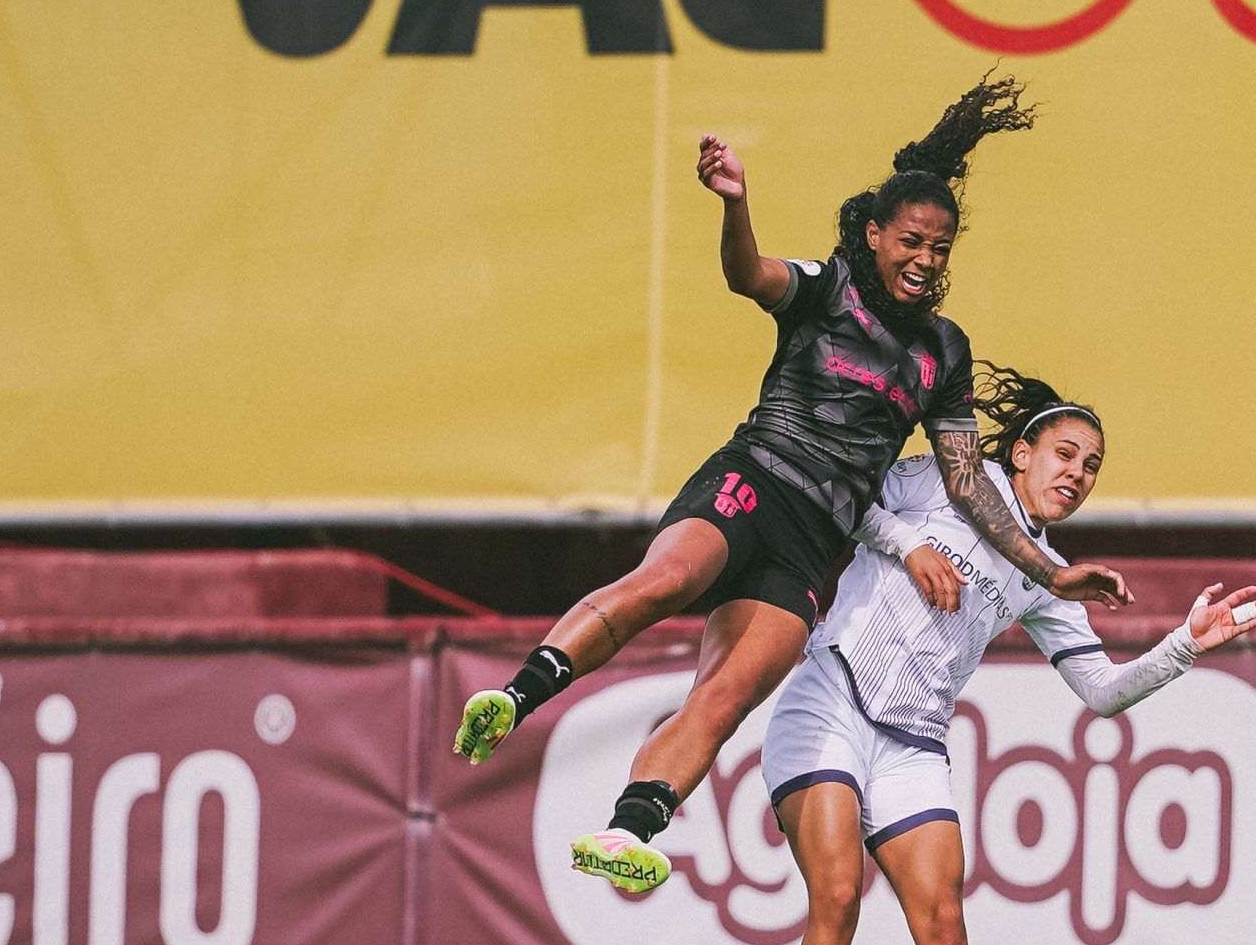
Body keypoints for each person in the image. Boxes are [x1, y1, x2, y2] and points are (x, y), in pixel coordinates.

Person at [448, 75, 1132, 900]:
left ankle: (627, 830)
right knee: (663, 582)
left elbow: (966, 485)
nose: (925, 260)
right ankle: (516, 696)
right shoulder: (828, 287)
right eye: (911, 241)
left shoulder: (943, 352)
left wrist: (1052, 572)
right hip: (753, 482)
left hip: (814, 542)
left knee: (728, 693)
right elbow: (748, 275)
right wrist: (735, 205)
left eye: (941, 249)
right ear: (875, 234)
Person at [766, 366, 1256, 945]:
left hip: (913, 742)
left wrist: (1183, 645)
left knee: (944, 925)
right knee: (838, 892)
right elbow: (839, 497)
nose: (1078, 473)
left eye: (1092, 465)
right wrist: (910, 545)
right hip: (829, 701)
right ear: (1022, 452)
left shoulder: (1045, 572)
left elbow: (1101, 692)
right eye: (1065, 453)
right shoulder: (943, 478)